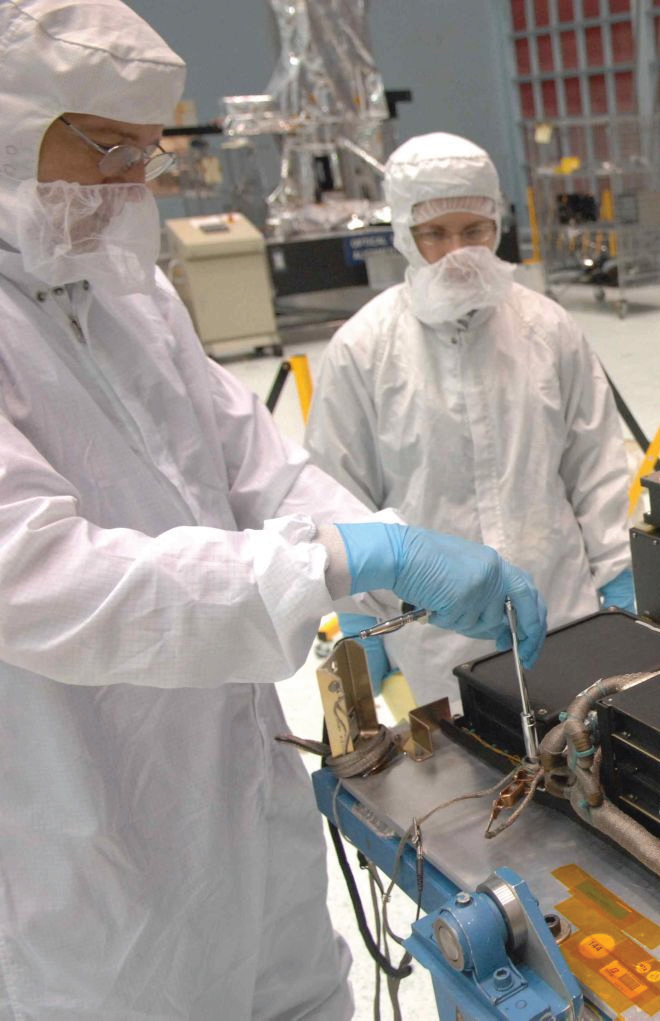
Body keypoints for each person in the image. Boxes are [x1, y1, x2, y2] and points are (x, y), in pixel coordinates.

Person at [0, 1, 547, 1016]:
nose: (134, 189)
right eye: (109, 151)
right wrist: (332, 562)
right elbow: (42, 578)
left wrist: (387, 559)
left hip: (239, 794)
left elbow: (254, 461)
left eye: (146, 156)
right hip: (94, 843)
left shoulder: (129, 296)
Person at [305, 132, 633, 707]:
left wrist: (618, 575)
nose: (457, 251)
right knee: (466, 785)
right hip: (433, 633)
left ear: (497, 227)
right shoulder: (363, 348)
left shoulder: (548, 329)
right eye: (435, 233)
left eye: (473, 231)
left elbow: (597, 464)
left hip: (563, 609)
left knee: (582, 765)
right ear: (406, 235)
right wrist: (360, 619)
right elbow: (339, 491)